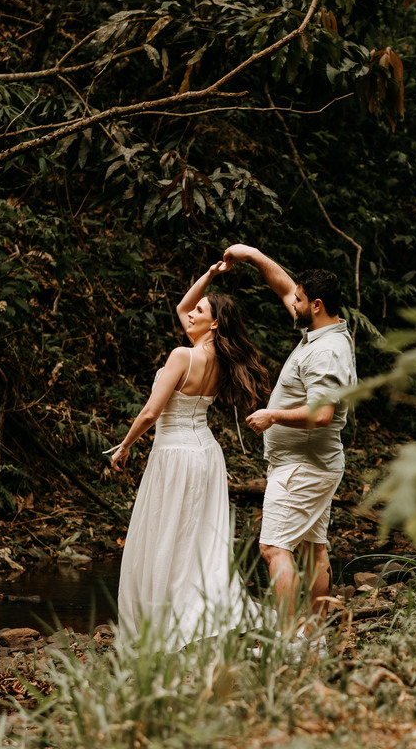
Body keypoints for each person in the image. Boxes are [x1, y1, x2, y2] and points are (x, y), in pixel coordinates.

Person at [107, 262, 271, 650]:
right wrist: (212, 275)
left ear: (213, 324)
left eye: (202, 310)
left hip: (174, 453)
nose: (191, 311)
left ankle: (164, 618)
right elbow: (183, 307)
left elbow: (150, 412)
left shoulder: (183, 355)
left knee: (166, 534)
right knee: (197, 537)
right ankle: (199, 610)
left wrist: (125, 444)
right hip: (206, 454)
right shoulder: (219, 358)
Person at [219, 244, 357, 654]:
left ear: (315, 305)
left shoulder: (328, 351)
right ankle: (313, 639)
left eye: (298, 299)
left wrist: (273, 415)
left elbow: (322, 414)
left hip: (304, 465)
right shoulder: (321, 330)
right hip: (313, 463)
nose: (289, 302)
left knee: (273, 547)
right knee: (315, 548)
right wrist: (251, 255)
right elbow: (283, 285)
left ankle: (288, 640)